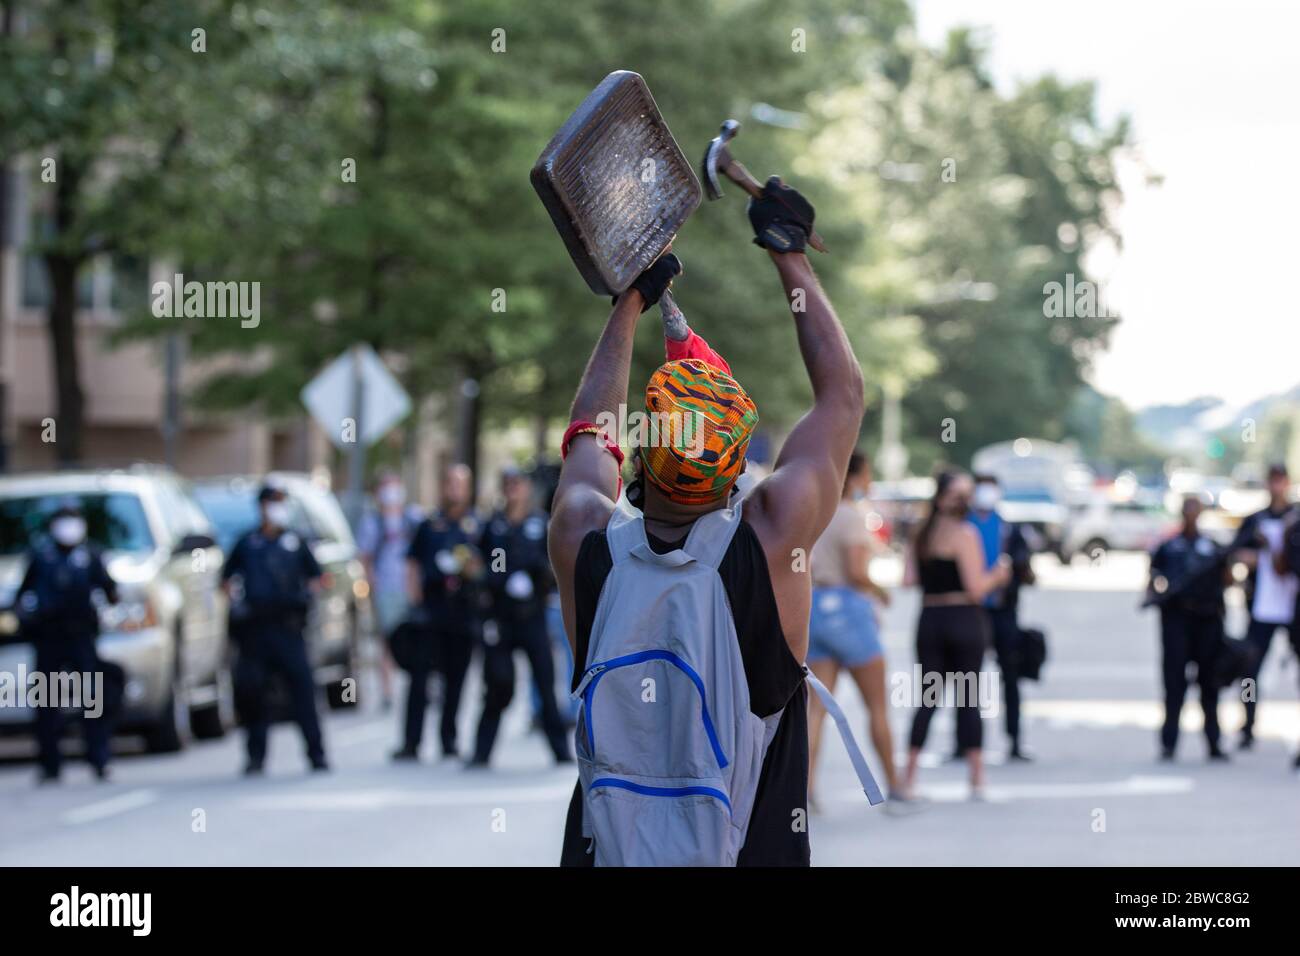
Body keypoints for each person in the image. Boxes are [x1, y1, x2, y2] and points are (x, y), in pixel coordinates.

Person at [550, 177, 868, 865]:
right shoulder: (774, 531)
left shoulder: (583, 538)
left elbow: (587, 436)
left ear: (640, 448)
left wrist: (628, 304)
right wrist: (788, 253)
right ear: (737, 469)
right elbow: (842, 397)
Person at [900, 470, 1011, 801]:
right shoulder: (966, 534)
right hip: (963, 617)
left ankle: (909, 776)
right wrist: (1000, 576)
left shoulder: (920, 534)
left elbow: (908, 579)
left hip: (930, 617)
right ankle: (977, 778)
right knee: (968, 697)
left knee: (928, 698)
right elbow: (976, 588)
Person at [806, 453, 906, 808]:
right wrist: (882, 593)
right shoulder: (850, 515)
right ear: (857, 476)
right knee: (877, 705)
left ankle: (806, 792)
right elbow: (857, 572)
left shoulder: (817, 512)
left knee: (815, 710)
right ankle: (895, 787)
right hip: (847, 610)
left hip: (815, 608)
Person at [222, 483, 328, 774]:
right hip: (256, 630)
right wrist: (235, 603)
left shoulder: (296, 541)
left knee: (303, 692)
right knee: (254, 693)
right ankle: (255, 757)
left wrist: (309, 597)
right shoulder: (247, 543)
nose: (277, 508)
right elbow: (226, 579)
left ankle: (316, 754)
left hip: (289, 628)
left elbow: (317, 577)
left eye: (281, 502)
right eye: (272, 502)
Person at [469, 467, 571, 767]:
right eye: (508, 484)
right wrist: (496, 579)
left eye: (518, 484)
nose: (513, 489)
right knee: (498, 682)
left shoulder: (540, 524)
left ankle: (560, 751)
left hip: (532, 615)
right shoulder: (494, 525)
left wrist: (537, 577)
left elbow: (554, 564)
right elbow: (478, 564)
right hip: (501, 616)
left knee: (545, 681)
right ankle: (481, 753)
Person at [15, 500, 121, 783]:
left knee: (91, 699)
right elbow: (22, 596)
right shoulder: (41, 557)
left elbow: (110, 591)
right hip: (48, 636)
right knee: (47, 701)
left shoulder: (91, 555)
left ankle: (99, 759)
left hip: (81, 636)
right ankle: (50, 764)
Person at [398, 463, 483, 761]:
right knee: (419, 678)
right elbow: (412, 564)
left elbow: (488, 565)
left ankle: (448, 738)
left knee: (456, 680)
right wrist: (415, 598)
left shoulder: (477, 525)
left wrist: (471, 567)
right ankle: (411, 742)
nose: (455, 490)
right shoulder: (428, 524)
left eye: (461, 484)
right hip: (431, 610)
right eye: (450, 483)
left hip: (462, 611)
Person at [1146, 495, 1229, 761]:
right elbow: (1153, 577)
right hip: (1176, 621)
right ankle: (1169, 743)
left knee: (1209, 684)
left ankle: (1214, 742)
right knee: (1174, 685)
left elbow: (1227, 579)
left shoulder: (1212, 548)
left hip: (1207, 621)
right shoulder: (1169, 546)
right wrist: (1158, 592)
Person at [1228, 463, 1297, 750]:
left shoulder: (1296, 518)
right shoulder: (1256, 521)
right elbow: (1233, 553)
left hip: (1294, 606)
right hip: (1262, 607)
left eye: (1281, 481)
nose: (1276, 486)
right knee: (1250, 670)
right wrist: (1249, 558)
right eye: (1272, 481)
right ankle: (1248, 724)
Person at [967, 473, 1036, 760]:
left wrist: (1017, 572)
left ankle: (1015, 740)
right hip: (972, 610)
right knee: (968, 679)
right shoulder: (964, 526)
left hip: (1004, 611)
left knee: (1010, 675)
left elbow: (1026, 571)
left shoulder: (1009, 529)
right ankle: (966, 743)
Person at [356, 471, 422, 710]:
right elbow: (365, 557)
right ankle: (387, 691)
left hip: (410, 587)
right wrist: (371, 586)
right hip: (386, 588)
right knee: (388, 639)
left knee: (417, 638)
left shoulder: (412, 518)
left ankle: (420, 684)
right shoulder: (372, 522)